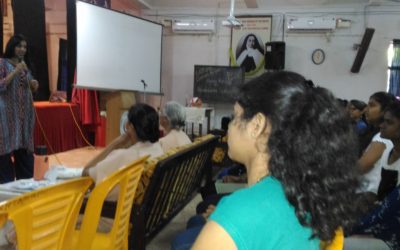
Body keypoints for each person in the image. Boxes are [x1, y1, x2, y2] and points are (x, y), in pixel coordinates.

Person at [191, 71, 359, 249]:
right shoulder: (309, 192)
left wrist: (227, 220)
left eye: (234, 117)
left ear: (257, 125)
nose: (230, 128)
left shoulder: (239, 210)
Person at [82, 103, 163, 201]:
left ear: (130, 127)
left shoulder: (124, 155)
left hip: (111, 211)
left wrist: (113, 145)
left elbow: (85, 176)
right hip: (143, 209)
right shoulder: (158, 149)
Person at [0, 34, 39, 183]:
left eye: (24, 47)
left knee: (24, 153)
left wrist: (33, 84)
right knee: (4, 152)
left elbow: (27, 86)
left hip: (23, 117)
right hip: (6, 117)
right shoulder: (2, 63)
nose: (22, 49)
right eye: (19, 46)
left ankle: (25, 185)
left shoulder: (24, 65)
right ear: (12, 47)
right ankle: (6, 189)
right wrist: (16, 71)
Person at [358, 92, 396, 195]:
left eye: (372, 105)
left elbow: (360, 167)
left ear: (385, 110)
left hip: (366, 194)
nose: (366, 110)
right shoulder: (377, 134)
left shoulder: (383, 138)